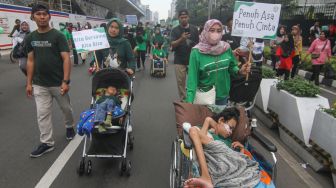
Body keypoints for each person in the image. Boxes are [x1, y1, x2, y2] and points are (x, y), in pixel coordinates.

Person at [25, 4, 75, 158]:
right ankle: (46, 142)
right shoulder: (30, 38)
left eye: (44, 14)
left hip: (58, 82)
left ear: (49, 16)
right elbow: (31, 60)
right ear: (33, 17)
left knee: (66, 109)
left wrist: (65, 81)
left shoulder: (58, 36)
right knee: (42, 114)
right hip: (40, 84)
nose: (41, 17)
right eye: (38, 14)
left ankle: (69, 126)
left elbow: (66, 58)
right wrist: (29, 83)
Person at [183, 107, 260, 188]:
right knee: (193, 130)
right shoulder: (206, 132)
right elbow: (199, 144)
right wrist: (208, 121)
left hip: (224, 162)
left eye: (233, 130)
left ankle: (206, 178)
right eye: (230, 128)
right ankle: (205, 177)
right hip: (213, 158)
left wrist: (242, 149)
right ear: (221, 120)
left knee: (192, 130)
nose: (230, 132)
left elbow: (237, 162)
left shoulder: (229, 141)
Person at [186, 19, 250, 106]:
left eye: (219, 31)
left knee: (220, 119)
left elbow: (232, 67)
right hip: (204, 97)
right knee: (206, 120)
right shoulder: (196, 52)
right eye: (212, 30)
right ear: (205, 31)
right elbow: (192, 80)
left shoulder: (226, 48)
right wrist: (189, 103)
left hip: (222, 96)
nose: (215, 33)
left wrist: (239, 71)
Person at [171, 9, 199, 101]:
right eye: (182, 17)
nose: (184, 19)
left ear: (188, 17)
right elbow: (172, 44)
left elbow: (199, 44)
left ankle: (193, 99)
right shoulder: (175, 30)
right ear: (179, 18)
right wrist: (181, 39)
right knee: (181, 83)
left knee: (194, 82)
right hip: (179, 60)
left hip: (193, 60)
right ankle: (183, 101)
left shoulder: (194, 29)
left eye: (185, 17)